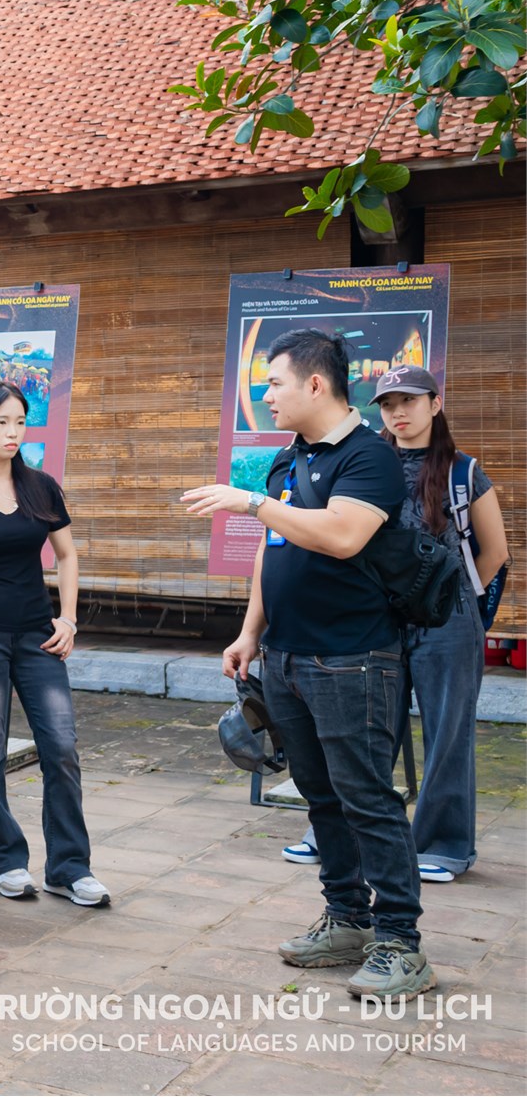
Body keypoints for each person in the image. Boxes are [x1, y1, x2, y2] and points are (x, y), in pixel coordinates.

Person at [185, 328, 431, 997]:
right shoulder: (286, 460)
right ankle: (347, 919)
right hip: (288, 657)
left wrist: (251, 502)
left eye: (273, 382)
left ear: (314, 385)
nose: (265, 396)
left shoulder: (369, 459)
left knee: (367, 799)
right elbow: (274, 549)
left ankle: (400, 944)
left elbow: (343, 535)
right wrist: (249, 632)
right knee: (320, 797)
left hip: (354, 658)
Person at [0, 380, 106, 909]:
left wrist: (70, 618)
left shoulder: (41, 486)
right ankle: (6, 861)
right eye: (1, 422)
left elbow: (68, 556)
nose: (12, 432)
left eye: (19, 422)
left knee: (62, 747)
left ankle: (69, 867)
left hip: (38, 636)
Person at [373, 365, 511, 883]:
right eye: (388, 405)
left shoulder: (463, 471)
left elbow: (495, 552)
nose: (398, 413)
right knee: (365, 732)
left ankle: (444, 844)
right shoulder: (368, 464)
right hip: (377, 616)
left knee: (448, 734)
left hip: (447, 621)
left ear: (435, 403)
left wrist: (452, 600)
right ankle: (341, 833)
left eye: (409, 401)